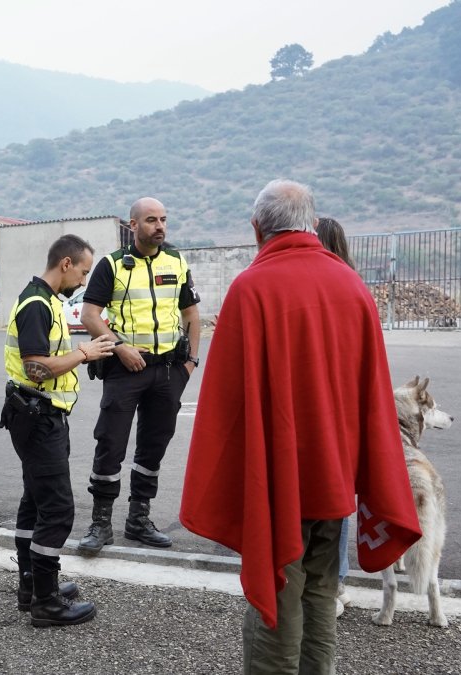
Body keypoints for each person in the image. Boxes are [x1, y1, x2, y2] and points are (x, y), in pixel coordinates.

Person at [180, 181, 420, 674]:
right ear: (312, 223)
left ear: (256, 229)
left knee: (278, 596)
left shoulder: (251, 288)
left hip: (275, 484)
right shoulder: (352, 287)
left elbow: (226, 410)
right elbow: (370, 397)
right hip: (334, 480)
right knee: (320, 590)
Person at [0, 234, 116, 627]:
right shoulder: (37, 304)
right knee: (58, 508)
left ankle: (31, 585)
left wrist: (82, 352)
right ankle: (46, 603)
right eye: (83, 272)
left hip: (39, 415)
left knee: (35, 500)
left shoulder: (47, 301)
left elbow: (44, 361)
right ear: (66, 264)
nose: (84, 281)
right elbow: (36, 366)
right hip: (37, 417)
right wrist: (86, 353)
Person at [76, 197, 201, 553]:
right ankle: (100, 524)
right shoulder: (112, 265)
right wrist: (119, 347)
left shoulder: (176, 260)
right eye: (151, 220)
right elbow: (89, 315)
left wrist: (190, 363)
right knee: (111, 444)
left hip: (168, 371)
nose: (159, 226)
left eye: (163, 219)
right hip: (125, 370)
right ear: (133, 225)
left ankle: (138, 519)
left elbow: (191, 314)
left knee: (153, 447)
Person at [315, 215, 358, 618]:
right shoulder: (351, 285)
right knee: (337, 495)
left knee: (329, 497)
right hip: (342, 410)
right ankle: (334, 582)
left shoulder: (327, 285)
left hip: (326, 409)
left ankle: (332, 582)